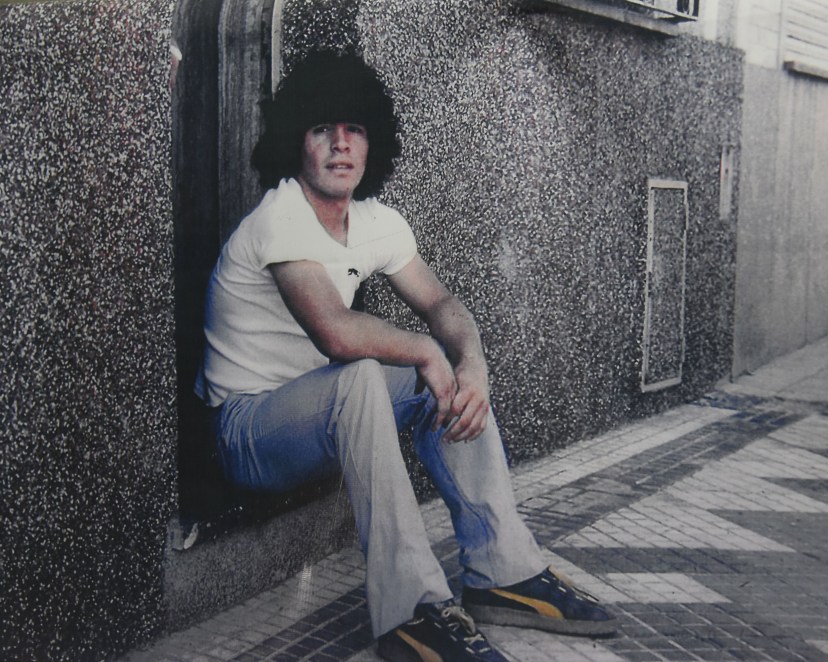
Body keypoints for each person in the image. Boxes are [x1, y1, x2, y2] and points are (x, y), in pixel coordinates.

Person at [195, 49, 615, 661]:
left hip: (320, 414)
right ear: (296, 141)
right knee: (366, 371)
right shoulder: (280, 214)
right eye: (321, 129)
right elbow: (336, 333)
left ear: (372, 144)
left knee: (434, 379)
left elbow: (443, 303)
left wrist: (472, 363)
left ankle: (502, 570)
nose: (340, 146)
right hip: (248, 432)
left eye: (354, 130)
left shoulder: (375, 221)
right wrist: (424, 351)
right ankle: (411, 608)